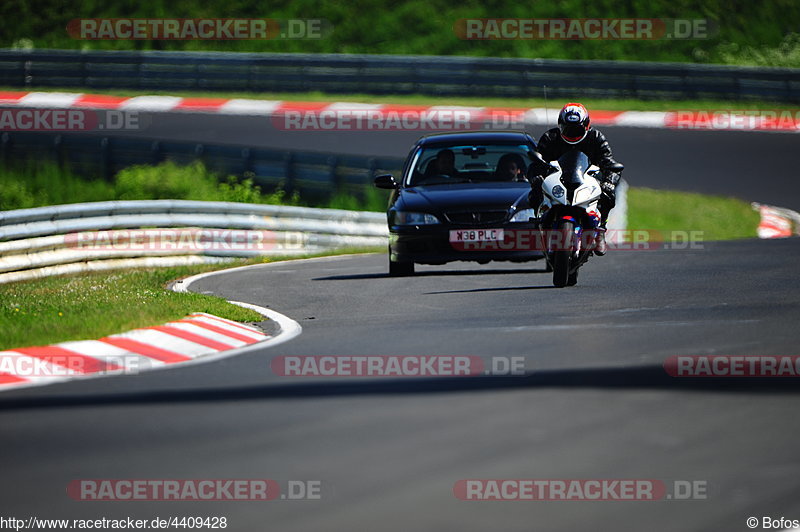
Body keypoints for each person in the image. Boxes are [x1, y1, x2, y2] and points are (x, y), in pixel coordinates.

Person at [528, 103, 623, 255]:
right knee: (534, 192)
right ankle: (539, 224)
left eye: (576, 129)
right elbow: (536, 163)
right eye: (568, 129)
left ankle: (600, 230)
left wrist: (609, 181)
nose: (572, 133)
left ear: (586, 126)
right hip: (557, 181)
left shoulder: (596, 138)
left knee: (609, 194)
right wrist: (536, 177)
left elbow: (609, 162)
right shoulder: (550, 138)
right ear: (560, 126)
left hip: (588, 181)